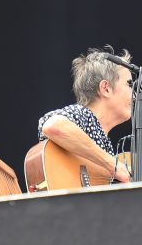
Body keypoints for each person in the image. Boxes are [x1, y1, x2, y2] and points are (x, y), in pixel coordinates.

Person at [38, 48, 133, 184]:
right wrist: (113, 165)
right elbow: (53, 125)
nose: (134, 94)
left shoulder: (103, 142)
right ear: (106, 88)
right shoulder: (84, 116)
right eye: (129, 85)